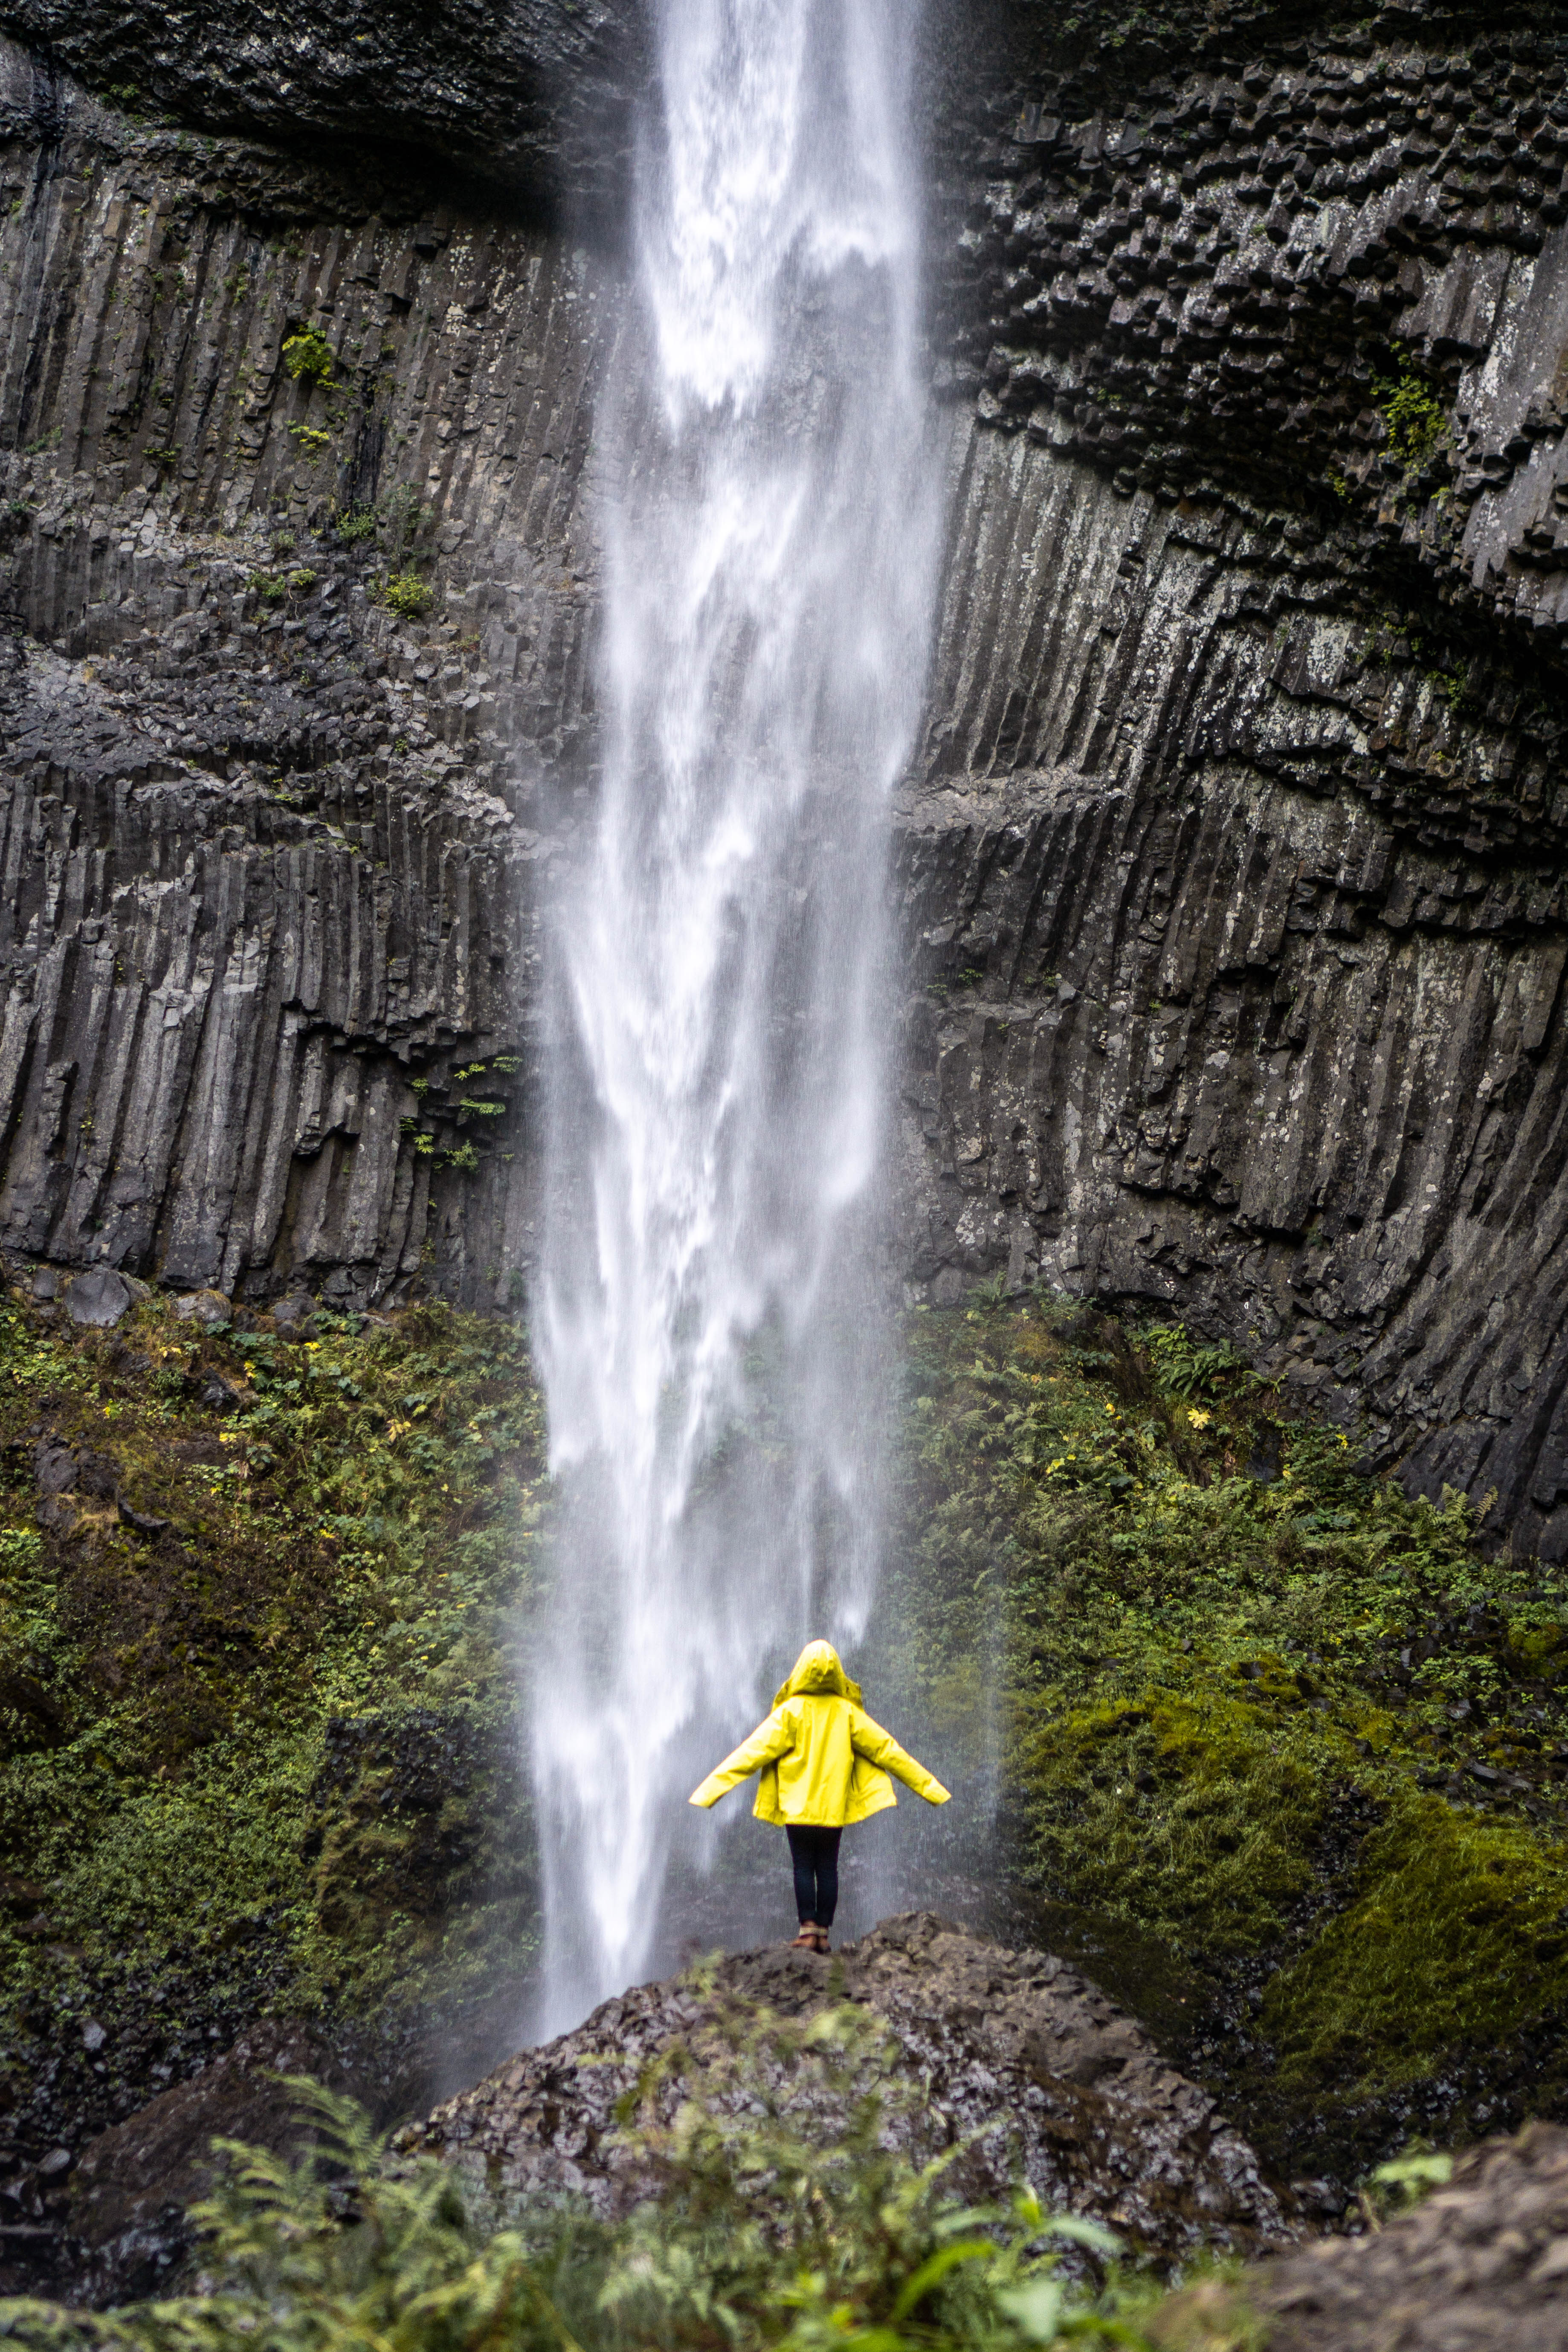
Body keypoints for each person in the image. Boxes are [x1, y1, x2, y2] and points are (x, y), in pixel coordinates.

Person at [689, 1639, 951, 1953]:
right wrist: (932, 1789)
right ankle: (823, 1933)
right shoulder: (847, 1713)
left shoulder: (790, 1713)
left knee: (802, 1866)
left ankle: (806, 1930)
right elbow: (888, 1750)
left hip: (797, 1807)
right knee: (827, 1867)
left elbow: (750, 1753)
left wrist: (708, 1792)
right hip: (831, 1807)